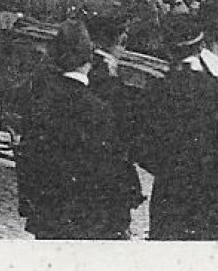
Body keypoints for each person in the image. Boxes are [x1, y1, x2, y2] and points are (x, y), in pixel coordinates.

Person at [16, 21, 142, 239]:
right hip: (90, 219)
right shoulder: (99, 109)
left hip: (48, 215)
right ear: (89, 61)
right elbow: (113, 167)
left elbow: (28, 156)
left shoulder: (40, 102)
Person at [136, 15, 218, 240]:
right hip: (216, 202)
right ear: (200, 44)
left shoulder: (159, 88)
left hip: (169, 200)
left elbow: (144, 149)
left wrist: (171, 172)